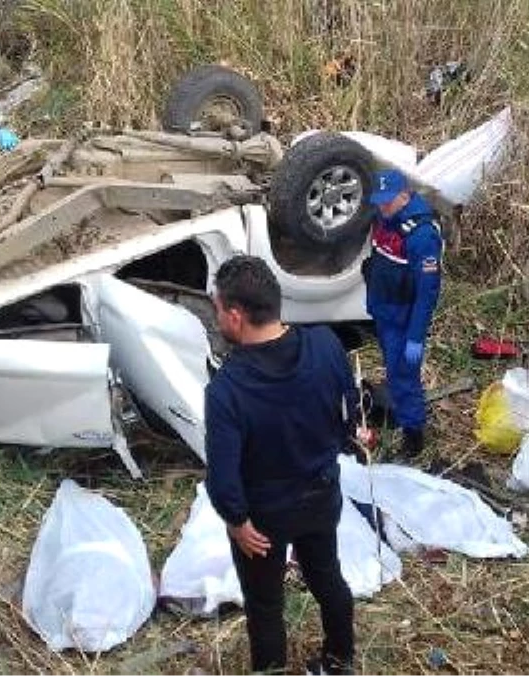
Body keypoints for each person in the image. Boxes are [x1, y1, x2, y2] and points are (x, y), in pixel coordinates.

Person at [204, 256, 358, 674]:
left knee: (266, 605)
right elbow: (350, 408)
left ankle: (271, 670)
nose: (216, 315)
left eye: (217, 308)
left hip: (264, 519)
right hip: (321, 494)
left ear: (236, 316)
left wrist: (236, 520)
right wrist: (345, 439)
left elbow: (222, 472)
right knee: (328, 579)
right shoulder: (326, 344)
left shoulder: (227, 389)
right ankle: (340, 660)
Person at [362, 168, 443, 459]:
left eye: (388, 201)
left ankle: (413, 437)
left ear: (405, 196)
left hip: (403, 319)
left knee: (403, 377)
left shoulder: (421, 236)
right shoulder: (383, 218)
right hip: (384, 311)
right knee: (394, 371)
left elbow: (427, 292)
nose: (382, 207)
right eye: (379, 201)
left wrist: (416, 336)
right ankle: (403, 413)